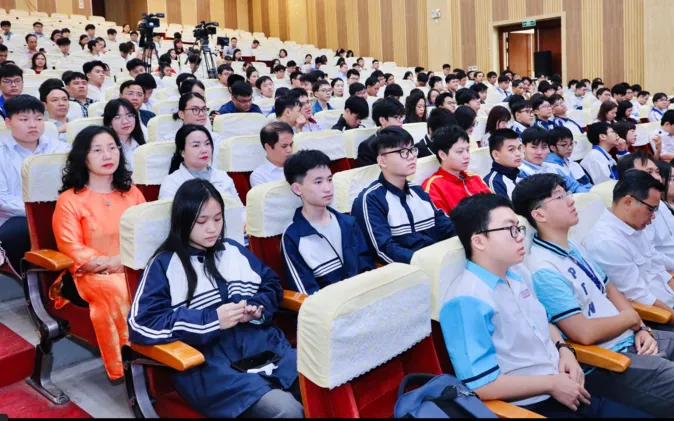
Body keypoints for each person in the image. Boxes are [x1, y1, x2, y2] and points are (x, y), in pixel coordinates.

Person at [443, 193, 649, 418]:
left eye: (519, 228)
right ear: (479, 241)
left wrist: (565, 351)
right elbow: (481, 385)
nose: (520, 237)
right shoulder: (466, 300)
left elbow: (544, 322)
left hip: (565, 384)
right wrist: (551, 384)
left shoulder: (518, 273)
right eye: (510, 229)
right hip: (530, 406)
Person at [129, 178, 302, 418]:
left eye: (218, 219)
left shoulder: (233, 250)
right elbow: (141, 324)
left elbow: (271, 284)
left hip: (264, 348)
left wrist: (256, 308)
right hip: (211, 368)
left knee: (323, 381)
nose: (212, 228)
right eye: (202, 221)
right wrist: (211, 320)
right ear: (183, 220)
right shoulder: (164, 264)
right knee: (287, 410)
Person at [514, 173, 674, 417]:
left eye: (568, 194)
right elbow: (584, 333)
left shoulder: (572, 246)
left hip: (633, 338)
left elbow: (609, 288)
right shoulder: (543, 269)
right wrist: (631, 319)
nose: (571, 200)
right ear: (539, 215)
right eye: (560, 197)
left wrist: (641, 327)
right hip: (610, 360)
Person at [52, 125, 145, 380]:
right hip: (90, 275)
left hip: (132, 265)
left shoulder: (132, 193)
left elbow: (146, 234)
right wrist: (115, 263)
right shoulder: (70, 200)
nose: (107, 155)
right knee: (121, 289)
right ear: (83, 157)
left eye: (112, 148)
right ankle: (133, 367)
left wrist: (124, 262)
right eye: (97, 150)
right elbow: (71, 247)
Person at [351, 128, 455, 264]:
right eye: (403, 152)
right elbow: (384, 250)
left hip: (436, 263)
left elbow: (447, 227)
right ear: (382, 161)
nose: (411, 156)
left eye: (412, 150)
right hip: (407, 271)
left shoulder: (418, 192)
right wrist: (427, 262)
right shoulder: (370, 200)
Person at [281, 150, 374, 294]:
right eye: (318, 182)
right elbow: (307, 294)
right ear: (297, 189)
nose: (328, 188)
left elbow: (368, 270)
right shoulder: (293, 237)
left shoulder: (348, 223)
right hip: (329, 306)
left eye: (329, 180)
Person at [0, 95, 71, 274]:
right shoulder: (2, 153)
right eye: (24, 120)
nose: (33, 125)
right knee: (19, 231)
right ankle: (31, 283)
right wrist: (39, 213)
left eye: (38, 119)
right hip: (15, 218)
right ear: (8, 122)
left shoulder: (61, 149)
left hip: (62, 212)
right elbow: (3, 200)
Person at [159, 125, 240, 203]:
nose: (204, 150)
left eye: (207, 143)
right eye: (196, 145)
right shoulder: (171, 182)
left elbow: (239, 209)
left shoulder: (223, 176)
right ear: (182, 152)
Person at [422, 125, 491, 214]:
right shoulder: (434, 187)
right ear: (442, 155)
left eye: (467, 150)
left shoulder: (475, 178)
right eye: (460, 151)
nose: (467, 156)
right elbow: (441, 221)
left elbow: (495, 206)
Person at [357, 98, 405, 167]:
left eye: (402, 116)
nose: (401, 120)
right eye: (397, 117)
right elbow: (371, 172)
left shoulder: (404, 138)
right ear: (382, 120)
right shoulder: (367, 147)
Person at [102, 99, 146, 171]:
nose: (125, 121)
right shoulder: (106, 148)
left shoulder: (144, 140)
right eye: (117, 117)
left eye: (129, 115)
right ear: (109, 123)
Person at [250, 122, 294, 188]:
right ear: (268, 147)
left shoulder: (299, 166)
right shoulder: (259, 176)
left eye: (291, 145)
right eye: (284, 146)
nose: (289, 150)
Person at [483, 129, 522, 199]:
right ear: (496, 155)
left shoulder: (520, 174)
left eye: (519, 148)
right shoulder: (493, 182)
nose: (518, 153)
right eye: (511, 149)